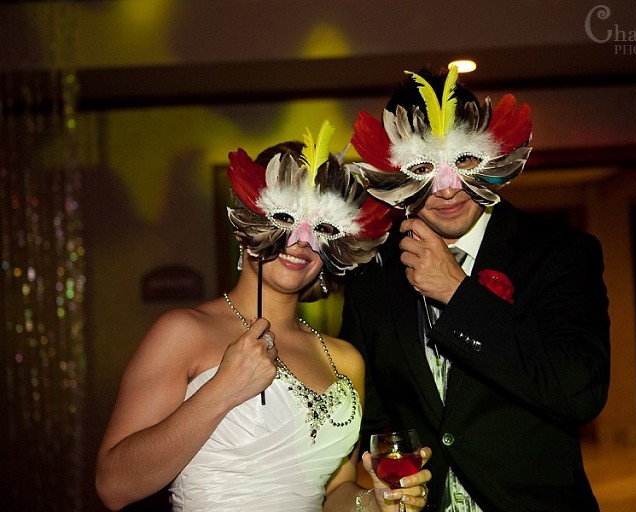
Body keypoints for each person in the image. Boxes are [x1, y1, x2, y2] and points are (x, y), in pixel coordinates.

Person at [95, 122, 433, 512]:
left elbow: (334, 493)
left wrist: (373, 502)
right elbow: (113, 485)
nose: (300, 241)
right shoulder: (183, 332)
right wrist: (221, 390)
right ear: (245, 228)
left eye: (321, 227)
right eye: (285, 219)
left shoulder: (344, 359)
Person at [339, 66, 611, 511]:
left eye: (463, 161)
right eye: (423, 167)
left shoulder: (562, 253)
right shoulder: (372, 271)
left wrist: (459, 294)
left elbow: (579, 392)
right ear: (393, 175)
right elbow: (372, 412)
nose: (447, 190)